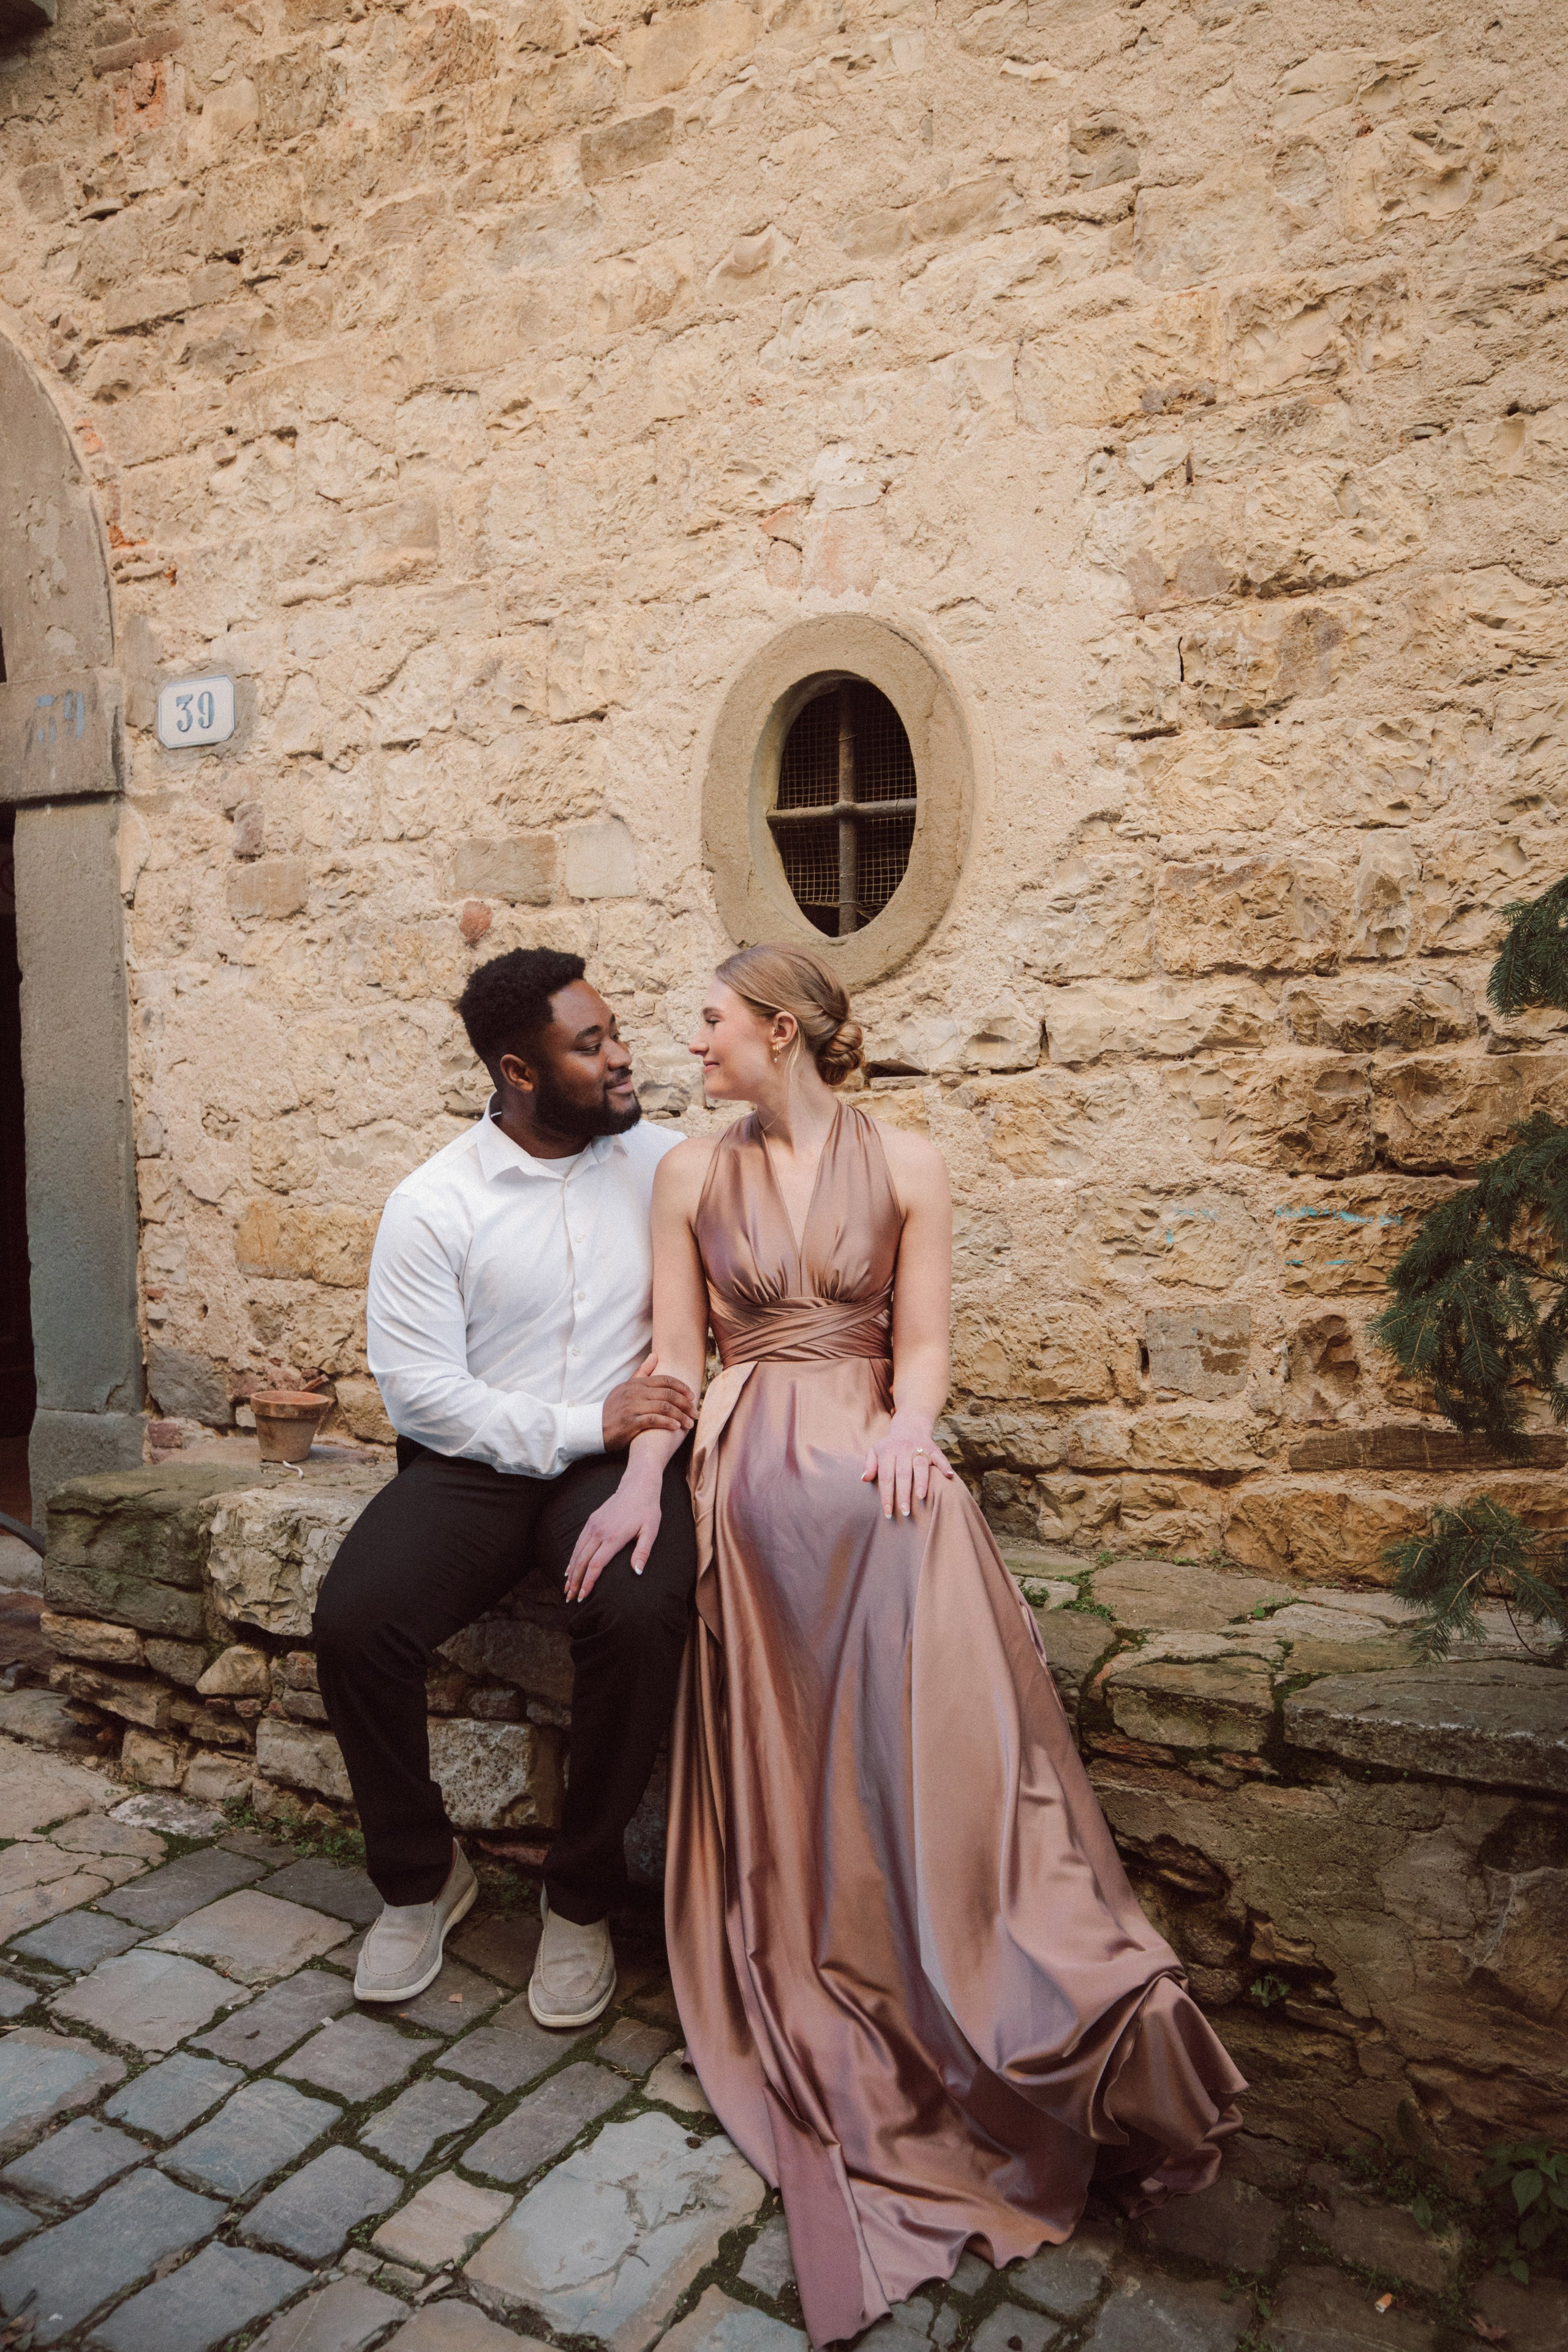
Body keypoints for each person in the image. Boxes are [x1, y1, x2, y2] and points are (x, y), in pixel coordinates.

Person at [564, 942, 1246, 2348]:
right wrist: (640, 1480)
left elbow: (922, 1342)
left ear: (780, 1029)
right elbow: (678, 1357)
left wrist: (910, 1427)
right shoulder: (690, 1174)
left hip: (869, 1442)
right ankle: (822, 1937)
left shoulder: (913, 1164)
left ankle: (1025, 1970)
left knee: (920, 1553)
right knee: (806, 1601)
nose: (691, 1045)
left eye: (709, 1023)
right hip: (750, 1459)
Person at [313, 947, 699, 2025]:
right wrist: (584, 1419)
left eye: (615, 1032)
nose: (624, 1059)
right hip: (475, 1468)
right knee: (355, 1621)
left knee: (638, 1607)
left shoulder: (667, 1167)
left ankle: (578, 1901)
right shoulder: (435, 1203)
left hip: (620, 1472)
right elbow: (423, 1396)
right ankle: (421, 1875)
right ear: (520, 1073)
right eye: (593, 1047)